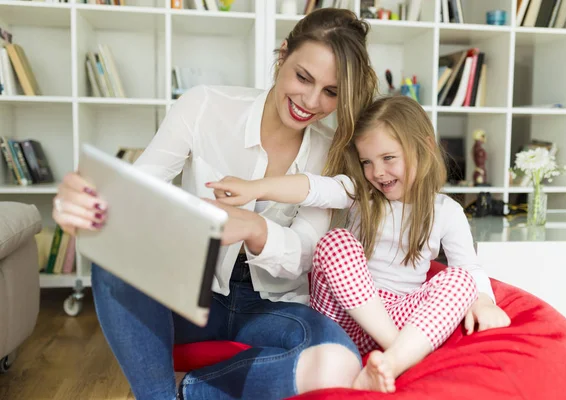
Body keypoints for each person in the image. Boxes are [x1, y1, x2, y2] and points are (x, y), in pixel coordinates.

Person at [51, 8, 380, 400]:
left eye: (331, 92)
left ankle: (190, 393)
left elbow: (305, 254)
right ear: (283, 54)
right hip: (191, 292)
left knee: (340, 361)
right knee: (114, 253)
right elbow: (136, 193)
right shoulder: (204, 106)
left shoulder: (331, 151)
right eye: (303, 77)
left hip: (270, 306)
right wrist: (84, 209)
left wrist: (255, 228)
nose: (310, 101)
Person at [206, 95, 512, 394]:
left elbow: (468, 268)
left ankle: (389, 364)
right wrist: (253, 189)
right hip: (345, 317)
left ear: (425, 147)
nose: (377, 172)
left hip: (401, 314)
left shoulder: (446, 211)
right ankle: (401, 355)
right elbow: (310, 188)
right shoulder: (360, 193)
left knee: (460, 281)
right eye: (368, 161)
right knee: (336, 242)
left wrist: (483, 300)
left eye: (389, 158)